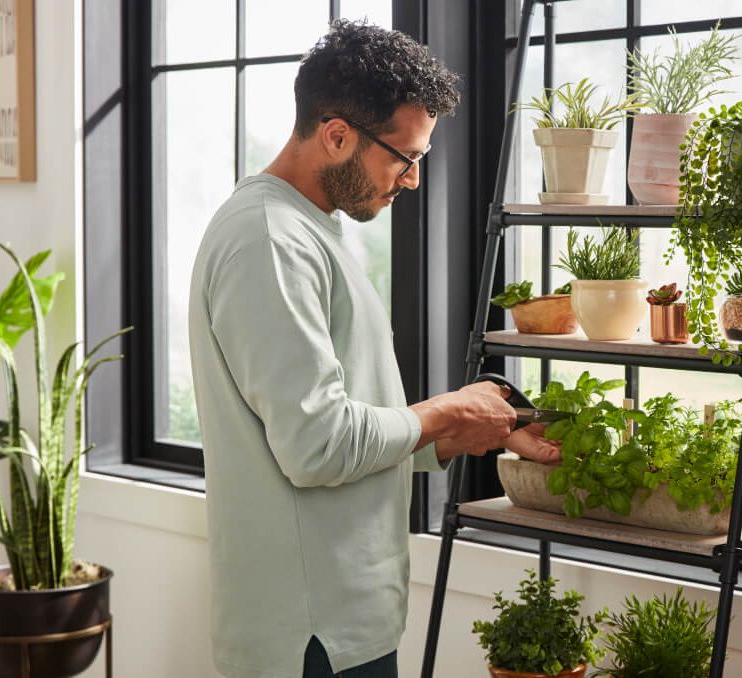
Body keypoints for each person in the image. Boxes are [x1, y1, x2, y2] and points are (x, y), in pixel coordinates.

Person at [187, 19, 563, 678]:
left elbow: (345, 426)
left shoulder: (310, 230)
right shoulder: (269, 241)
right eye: (407, 158)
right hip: (311, 634)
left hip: (341, 621)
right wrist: (443, 412)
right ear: (336, 135)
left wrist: (470, 431)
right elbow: (318, 445)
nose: (413, 180)